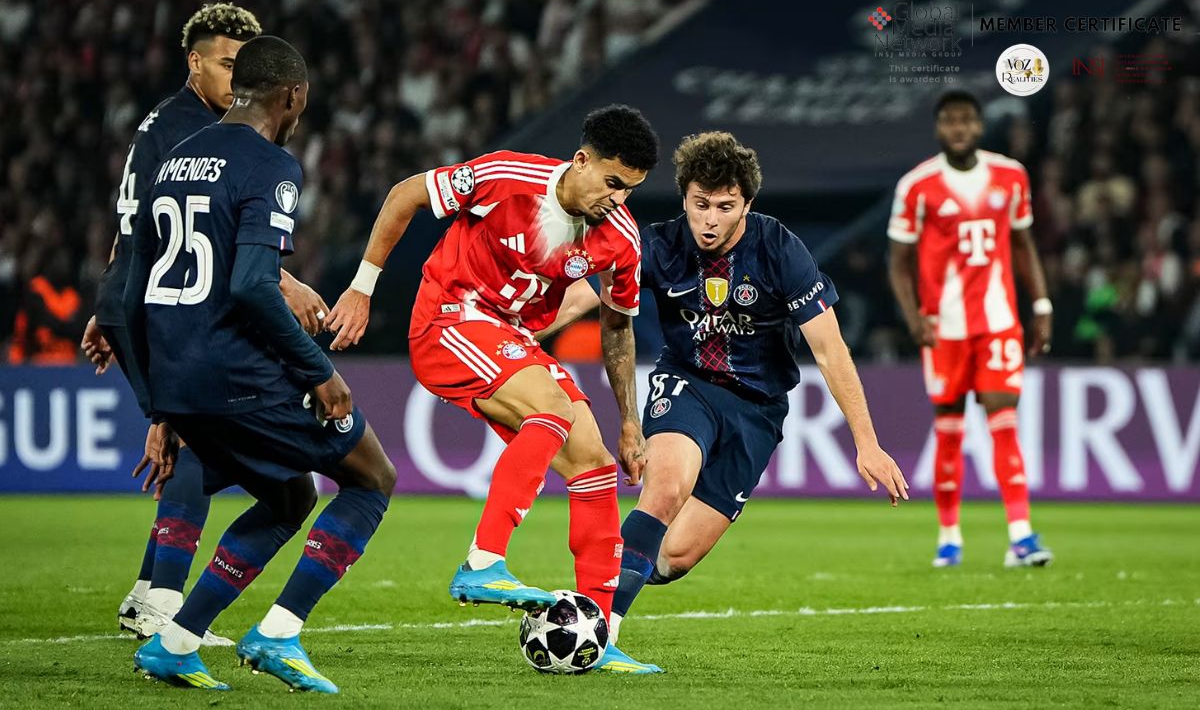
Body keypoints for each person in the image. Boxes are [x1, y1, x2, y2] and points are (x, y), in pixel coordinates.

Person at [326, 104, 661, 673]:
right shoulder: (507, 177)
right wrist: (362, 287)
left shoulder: (620, 240)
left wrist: (630, 419)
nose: (618, 200)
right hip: (447, 318)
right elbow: (405, 195)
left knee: (595, 462)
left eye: (629, 190)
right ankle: (483, 561)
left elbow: (618, 325)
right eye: (611, 183)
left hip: (510, 337)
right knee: (552, 408)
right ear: (580, 161)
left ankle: (597, 636)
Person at [123, 36, 395, 693]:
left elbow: (132, 292)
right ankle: (279, 633)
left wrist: (159, 406)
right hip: (234, 372)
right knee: (371, 476)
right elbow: (250, 283)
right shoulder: (271, 165)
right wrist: (317, 370)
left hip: (176, 374)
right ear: (292, 96)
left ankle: (176, 642)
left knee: (291, 493)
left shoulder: (176, 160)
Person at [598, 131, 909, 669]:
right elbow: (587, 294)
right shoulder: (659, 243)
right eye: (700, 205)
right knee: (665, 487)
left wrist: (868, 443)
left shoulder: (779, 248)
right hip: (686, 384)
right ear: (684, 199)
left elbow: (830, 349)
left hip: (757, 410)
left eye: (725, 206)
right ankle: (598, 631)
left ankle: (605, 569)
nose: (710, 220)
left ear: (747, 204)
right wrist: (520, 333)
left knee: (674, 557)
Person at [77, 2, 328, 643]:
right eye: (225, 64)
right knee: (193, 442)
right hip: (159, 303)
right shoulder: (190, 131)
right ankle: (163, 601)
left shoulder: (174, 125)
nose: (236, 76)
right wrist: (289, 281)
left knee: (195, 442)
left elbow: (142, 226)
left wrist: (109, 299)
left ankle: (147, 592)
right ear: (194, 63)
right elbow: (192, 242)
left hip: (140, 296)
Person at [887, 90, 1054, 569]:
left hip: (998, 321)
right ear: (939, 128)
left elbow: (1023, 245)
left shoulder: (1010, 175)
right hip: (944, 329)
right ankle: (949, 538)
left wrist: (1041, 304)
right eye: (949, 121)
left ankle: (1021, 536)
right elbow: (897, 261)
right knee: (950, 432)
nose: (958, 128)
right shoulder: (917, 186)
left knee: (1004, 424)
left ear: (979, 126)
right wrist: (914, 316)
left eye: (966, 120)